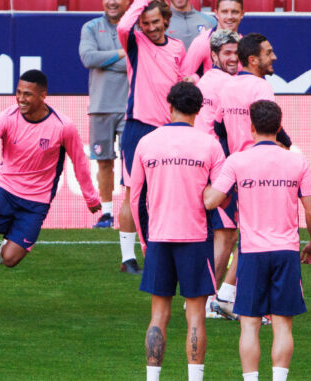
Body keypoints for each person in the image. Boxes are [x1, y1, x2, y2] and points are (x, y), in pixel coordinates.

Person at [0, 70, 101, 314]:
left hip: (36, 202)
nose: (20, 98)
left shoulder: (63, 126)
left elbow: (80, 162)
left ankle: (6, 248)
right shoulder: (8, 117)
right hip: (5, 191)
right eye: (18, 92)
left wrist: (91, 197)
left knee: (10, 259)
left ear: (43, 95)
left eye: (27, 94)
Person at [204, 100, 311, 381]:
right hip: (286, 251)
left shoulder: (237, 161)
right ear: (279, 127)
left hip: (253, 253)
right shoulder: (296, 160)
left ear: (251, 127)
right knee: (282, 325)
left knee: (250, 325)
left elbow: (211, 202)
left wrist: (201, 181)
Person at [130, 82, 224, 381]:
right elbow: (222, 193)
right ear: (198, 110)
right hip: (196, 239)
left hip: (158, 237)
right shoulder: (210, 145)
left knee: (158, 315)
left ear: (169, 106)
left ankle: (152, 378)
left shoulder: (147, 142)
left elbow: (135, 199)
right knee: (195, 315)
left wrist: (144, 241)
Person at [210, 33, 293, 319]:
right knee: (264, 238)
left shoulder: (229, 85)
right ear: (254, 59)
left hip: (237, 169)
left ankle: (225, 295)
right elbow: (271, 125)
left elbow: (219, 128)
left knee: (247, 237)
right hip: (261, 169)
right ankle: (231, 297)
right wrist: (287, 145)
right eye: (269, 53)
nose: (275, 57)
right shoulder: (261, 87)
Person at [116, 0, 186, 275]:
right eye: (145, 23)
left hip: (169, 130)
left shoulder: (178, 46)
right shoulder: (134, 42)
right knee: (133, 193)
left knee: (165, 195)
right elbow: (123, 24)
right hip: (138, 128)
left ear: (166, 19)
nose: (151, 28)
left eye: (155, 21)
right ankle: (128, 257)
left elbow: (179, 80)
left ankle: (160, 249)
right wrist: (142, 2)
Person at [79, 0, 141, 270]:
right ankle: (106, 213)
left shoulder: (137, 26)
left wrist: (107, 59)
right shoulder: (91, 26)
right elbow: (88, 58)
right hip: (101, 107)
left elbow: (139, 62)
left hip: (131, 107)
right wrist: (121, 54)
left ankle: (133, 213)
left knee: (132, 165)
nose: (112, 1)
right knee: (104, 162)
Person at [192, 29, 240, 318]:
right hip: (216, 166)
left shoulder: (206, 81)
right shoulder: (227, 84)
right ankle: (209, 299)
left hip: (203, 162)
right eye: (227, 53)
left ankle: (209, 296)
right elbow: (223, 128)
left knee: (217, 234)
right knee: (227, 234)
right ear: (213, 56)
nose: (233, 58)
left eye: (236, 53)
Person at [182, 0, 245, 81]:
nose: (229, 16)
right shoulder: (202, 42)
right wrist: (196, 79)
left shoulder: (244, 43)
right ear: (216, 14)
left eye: (235, 12)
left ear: (242, 14)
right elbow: (184, 77)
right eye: (224, 12)